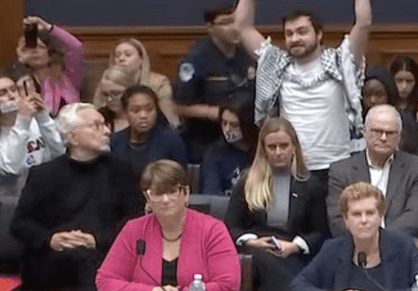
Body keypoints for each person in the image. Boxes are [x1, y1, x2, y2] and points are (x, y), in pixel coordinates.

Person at [235, 0, 371, 182]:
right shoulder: (277, 65)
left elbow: (363, 23)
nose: (294, 38)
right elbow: (242, 27)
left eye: (301, 32)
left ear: (319, 34)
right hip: (292, 168)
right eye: (289, 34)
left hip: (337, 166)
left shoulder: (341, 62)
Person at [11, 103, 142, 290]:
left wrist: (97, 239)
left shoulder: (122, 172)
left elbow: (135, 222)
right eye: (96, 126)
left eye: (105, 124)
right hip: (52, 262)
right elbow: (21, 224)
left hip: (103, 257)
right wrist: (50, 238)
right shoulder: (44, 174)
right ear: (73, 137)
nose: (107, 131)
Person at [96, 160, 241, 291]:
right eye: (158, 193)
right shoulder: (134, 230)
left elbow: (228, 285)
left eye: (172, 192)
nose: (165, 200)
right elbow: (105, 280)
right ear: (147, 198)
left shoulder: (213, 230)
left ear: (186, 193)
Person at [225, 117, 328, 291]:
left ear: (294, 147)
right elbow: (230, 226)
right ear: (263, 149)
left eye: (284, 146)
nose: (278, 152)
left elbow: (319, 231)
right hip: (255, 251)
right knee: (263, 261)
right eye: (272, 147)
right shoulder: (246, 182)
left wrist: (295, 246)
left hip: (293, 251)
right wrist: (253, 242)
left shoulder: (310, 184)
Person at [327, 105, 418, 253]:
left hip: (400, 246)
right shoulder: (341, 170)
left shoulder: (417, 168)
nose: (383, 138)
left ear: (399, 136)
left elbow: (416, 214)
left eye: (390, 133)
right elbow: (337, 218)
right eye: (377, 131)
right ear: (364, 132)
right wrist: (365, 242)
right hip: (354, 246)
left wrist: (381, 241)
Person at [291, 182, 418, 291]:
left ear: (380, 216)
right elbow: (298, 285)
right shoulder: (332, 249)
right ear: (346, 219)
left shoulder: (403, 246)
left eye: (370, 213)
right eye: (356, 214)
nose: (364, 220)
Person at [176, 5, 256, 163]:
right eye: (226, 22)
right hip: (207, 140)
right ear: (210, 28)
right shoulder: (196, 59)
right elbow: (179, 106)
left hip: (246, 139)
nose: (234, 27)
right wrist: (219, 113)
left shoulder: (247, 54)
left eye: (236, 21)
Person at [0, 71, 65, 197]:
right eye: (3, 93)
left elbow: (60, 153)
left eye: (13, 89)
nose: (12, 96)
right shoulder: (24, 121)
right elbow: (11, 168)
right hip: (15, 200)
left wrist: (43, 117)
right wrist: (23, 121)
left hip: (50, 192)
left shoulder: (35, 121)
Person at [108, 85, 188, 175]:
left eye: (149, 109)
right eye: (136, 110)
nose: (143, 115)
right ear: (125, 112)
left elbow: (179, 178)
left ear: (156, 110)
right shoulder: (114, 142)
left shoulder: (172, 141)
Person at [11, 15, 84, 113]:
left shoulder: (67, 75)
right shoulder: (20, 80)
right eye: (29, 48)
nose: (35, 51)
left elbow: (76, 47)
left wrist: (47, 27)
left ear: (50, 53)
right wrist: (20, 60)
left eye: (40, 47)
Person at [103, 38, 179, 127]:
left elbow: (170, 118)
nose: (121, 59)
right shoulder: (107, 80)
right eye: (117, 56)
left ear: (141, 59)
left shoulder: (159, 82)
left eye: (128, 55)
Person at [200, 93, 257, 195]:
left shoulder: (263, 151)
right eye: (224, 123)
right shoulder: (215, 153)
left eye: (234, 125)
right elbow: (211, 193)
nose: (227, 129)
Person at [94, 64, 137, 132]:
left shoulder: (144, 115)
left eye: (115, 93)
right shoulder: (100, 118)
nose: (109, 99)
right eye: (105, 94)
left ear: (130, 90)